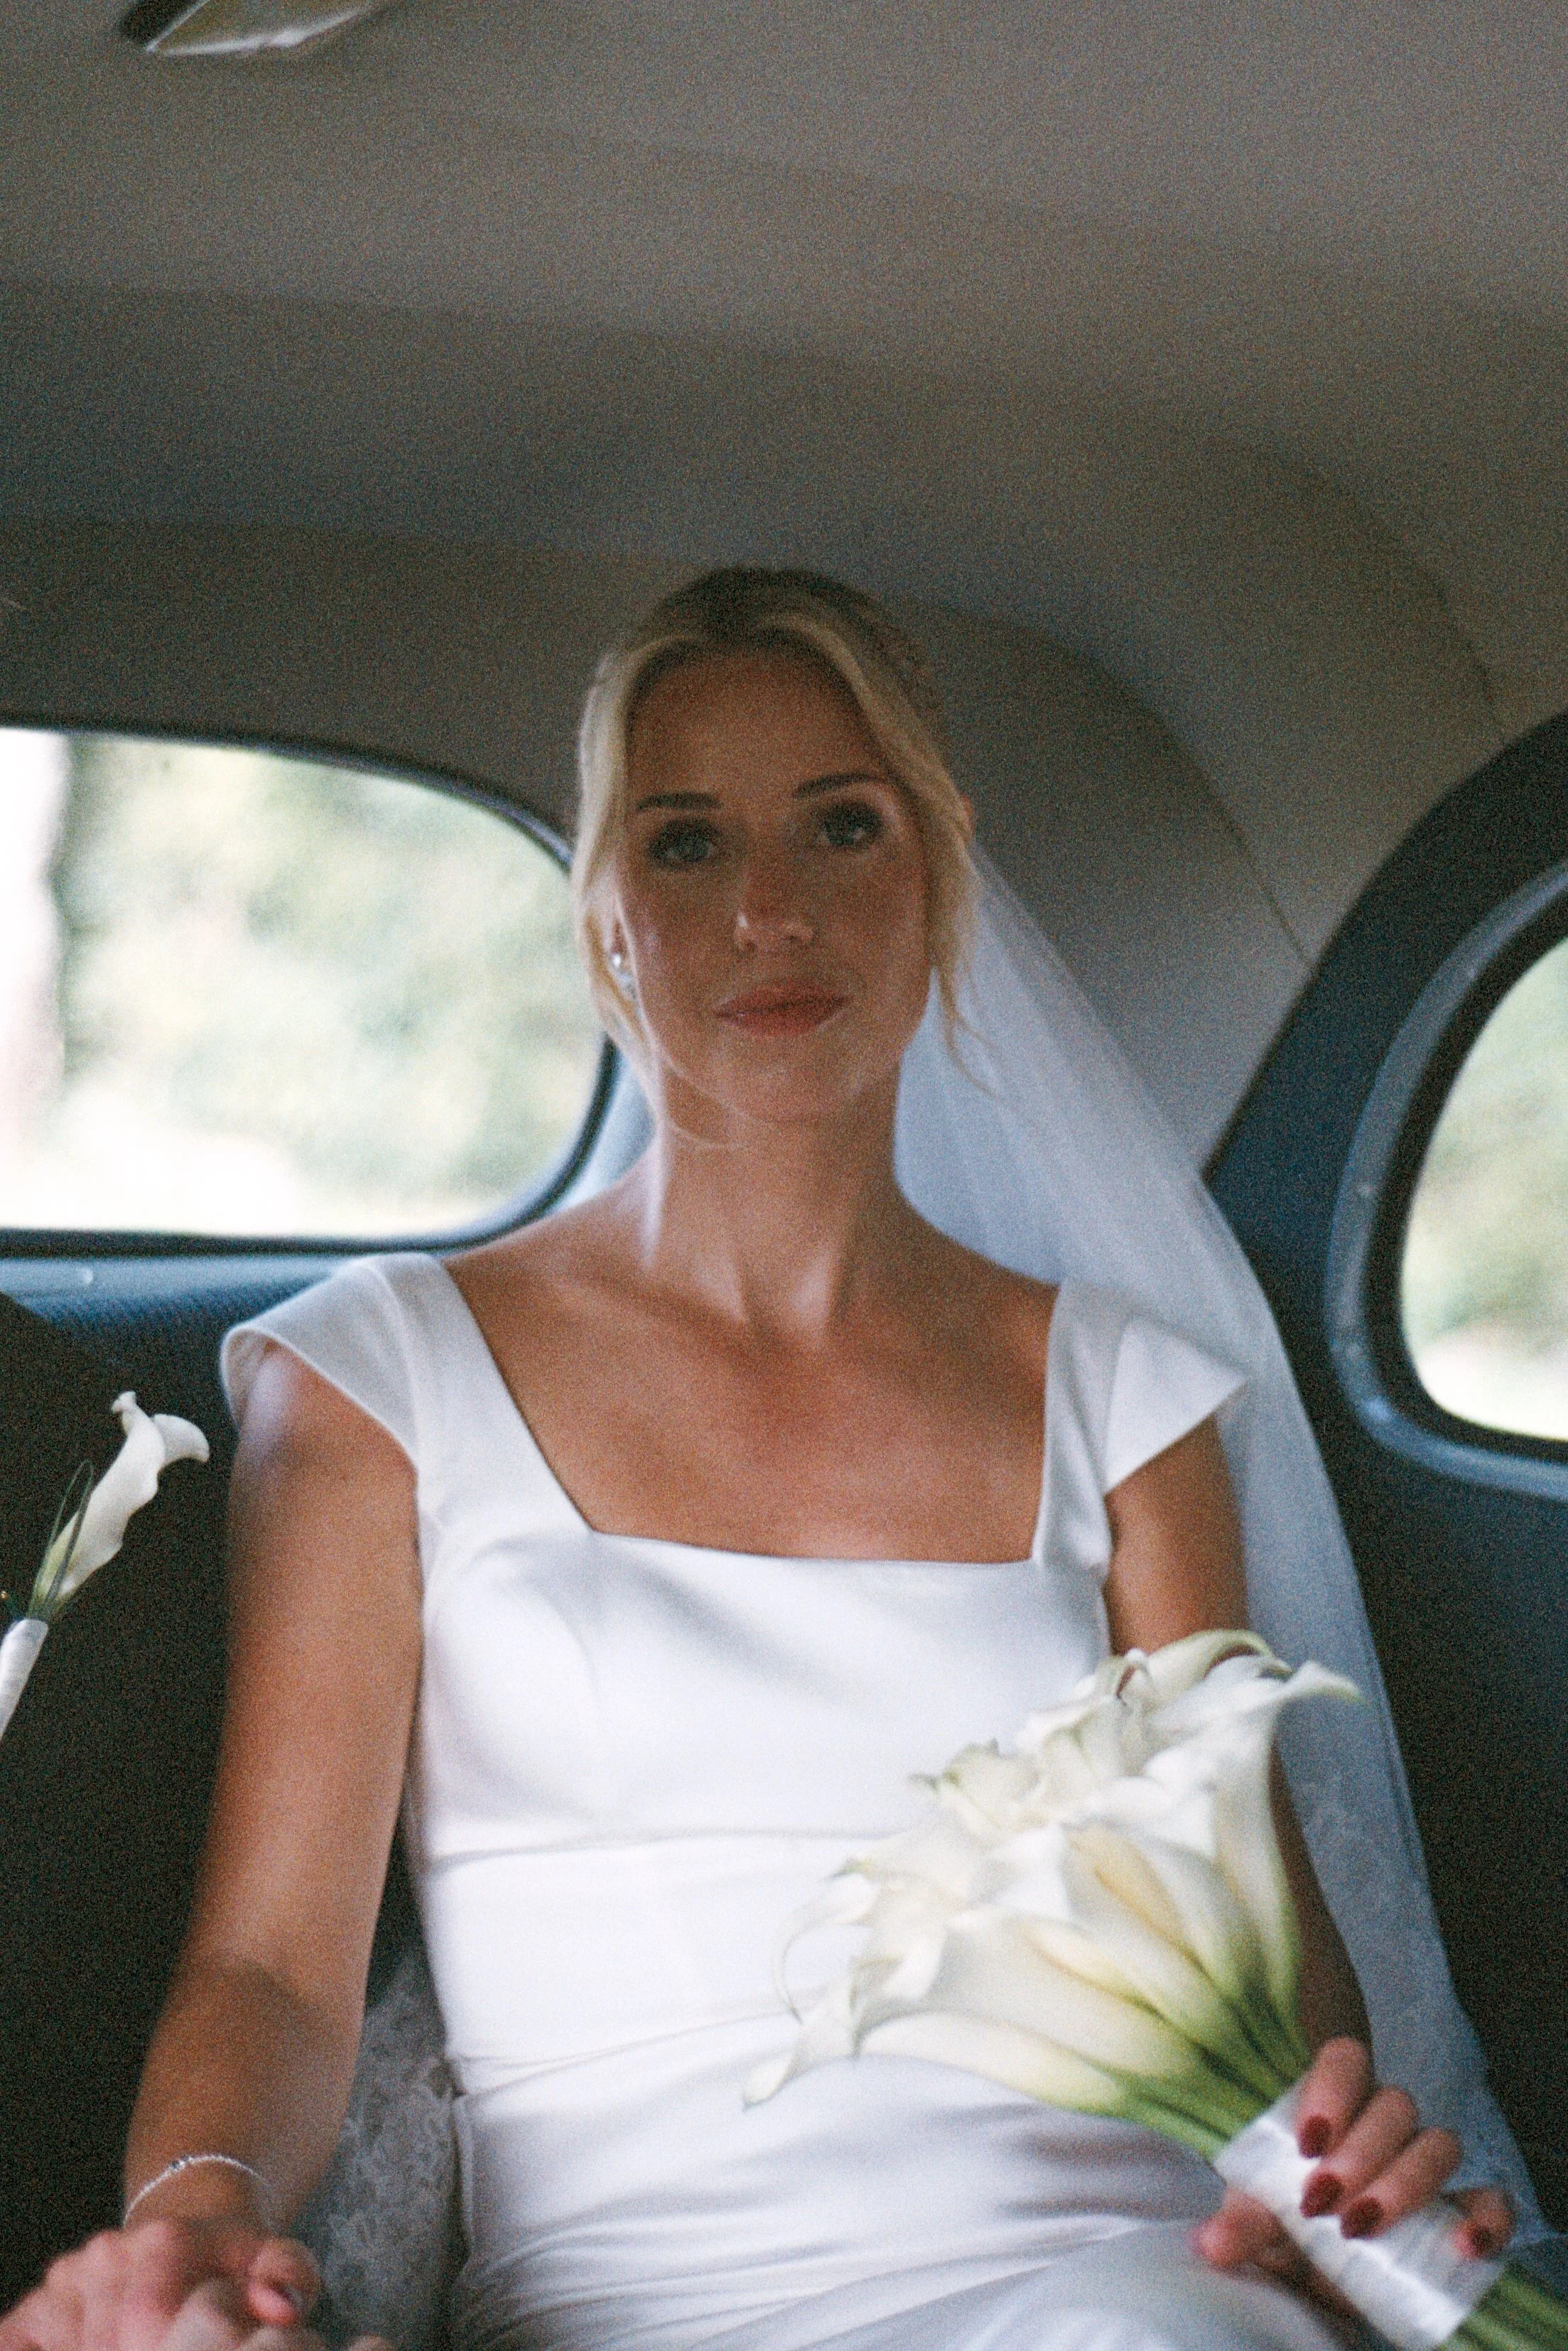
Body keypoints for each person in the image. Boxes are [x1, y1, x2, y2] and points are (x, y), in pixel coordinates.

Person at [0, 569, 1524, 2351]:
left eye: (841, 825)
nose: (770, 911)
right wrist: (197, 2223)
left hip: (1109, 2285)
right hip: (634, 2305)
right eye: (687, 843)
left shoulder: (1125, 1406)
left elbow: (1273, 1980)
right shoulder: (377, 1381)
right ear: (603, 919)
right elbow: (270, 1964)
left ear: (938, 878)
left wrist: (1331, 2190)